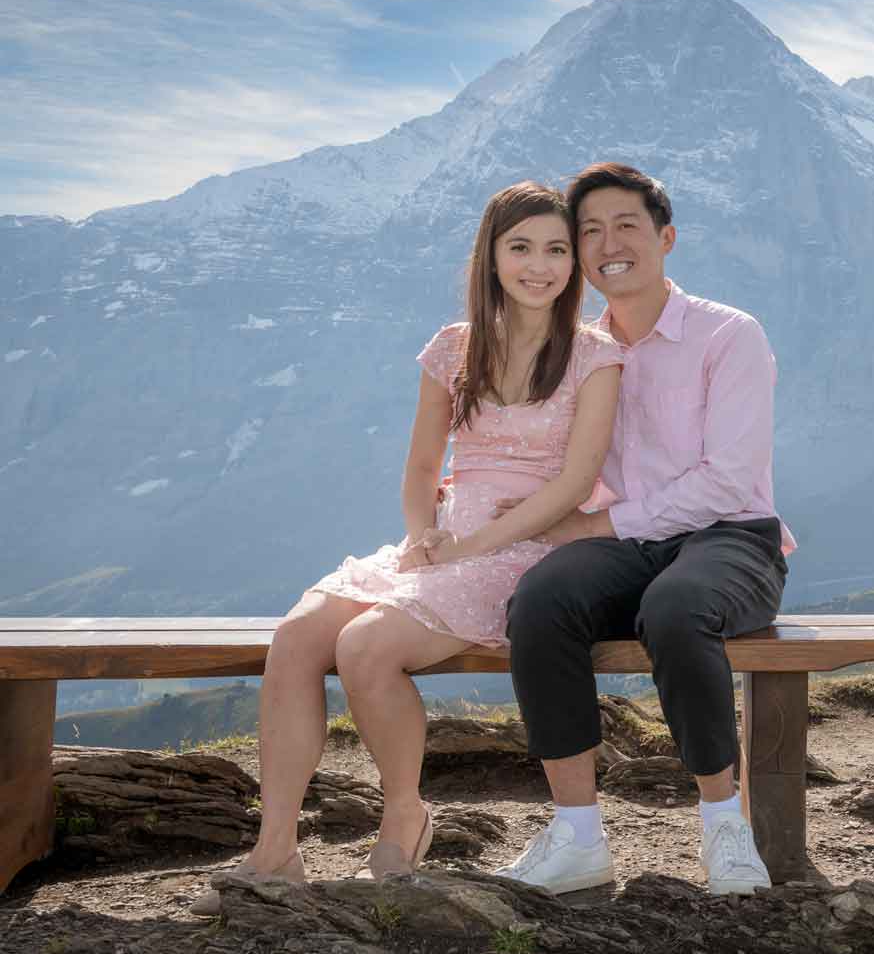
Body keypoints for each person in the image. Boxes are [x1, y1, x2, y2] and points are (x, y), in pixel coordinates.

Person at [191, 182, 623, 915]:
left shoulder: (593, 355)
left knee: (364, 646)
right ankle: (275, 854)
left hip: (528, 546)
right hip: (446, 539)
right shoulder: (454, 346)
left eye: (556, 250)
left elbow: (577, 479)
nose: (539, 266)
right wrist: (426, 532)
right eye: (521, 247)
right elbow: (423, 466)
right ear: (490, 255)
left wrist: (474, 545)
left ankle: (403, 819)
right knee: (297, 636)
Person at [490, 161, 795, 898]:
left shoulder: (729, 335)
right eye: (588, 231)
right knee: (539, 599)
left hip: (733, 538)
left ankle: (725, 823)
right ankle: (577, 835)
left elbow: (727, 478)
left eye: (626, 225)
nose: (607, 243)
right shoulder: (583, 350)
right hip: (630, 544)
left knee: (676, 607)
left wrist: (599, 522)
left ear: (666, 238)